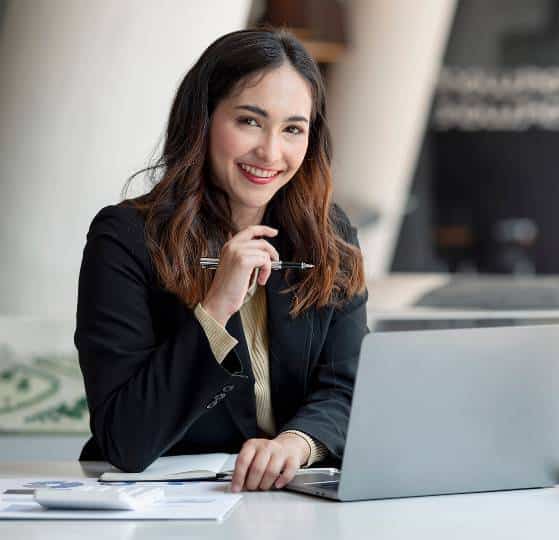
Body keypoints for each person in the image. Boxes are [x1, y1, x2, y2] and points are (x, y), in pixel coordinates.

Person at [74, 28, 367, 493]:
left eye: (293, 128)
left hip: (295, 505)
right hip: (168, 508)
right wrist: (216, 309)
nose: (271, 152)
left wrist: (296, 444)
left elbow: (350, 388)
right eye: (249, 121)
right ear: (204, 119)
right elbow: (124, 438)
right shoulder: (125, 238)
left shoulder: (329, 236)